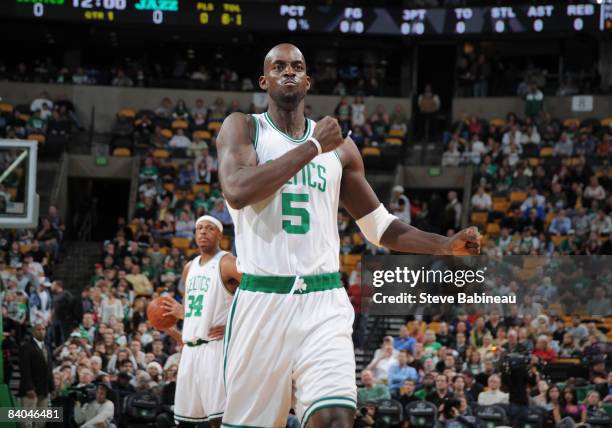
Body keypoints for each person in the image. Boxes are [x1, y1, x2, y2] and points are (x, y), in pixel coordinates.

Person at [216, 43, 480, 428]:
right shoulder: (244, 127)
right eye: (278, 67)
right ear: (264, 80)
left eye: (297, 66)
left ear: (308, 80)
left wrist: (444, 243)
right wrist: (312, 147)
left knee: (336, 418)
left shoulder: (340, 148)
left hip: (323, 302)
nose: (288, 72)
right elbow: (237, 191)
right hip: (262, 301)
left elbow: (380, 226)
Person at [160, 215, 241, 427]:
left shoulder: (227, 262)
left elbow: (257, 292)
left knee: (219, 419)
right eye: (199, 228)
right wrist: (173, 331)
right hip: (190, 351)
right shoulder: (189, 267)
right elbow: (191, 314)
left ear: (220, 235)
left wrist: (234, 326)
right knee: (185, 420)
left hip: (215, 348)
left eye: (209, 228)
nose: (203, 232)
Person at [19, 323, 54, 428]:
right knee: (27, 422)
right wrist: (29, 388)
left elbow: (49, 369)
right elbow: (25, 369)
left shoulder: (47, 347)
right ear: (33, 332)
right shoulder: (26, 347)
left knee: (40, 422)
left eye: (43, 329)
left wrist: (52, 388)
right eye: (38, 329)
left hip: (44, 390)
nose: (42, 331)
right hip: (31, 390)